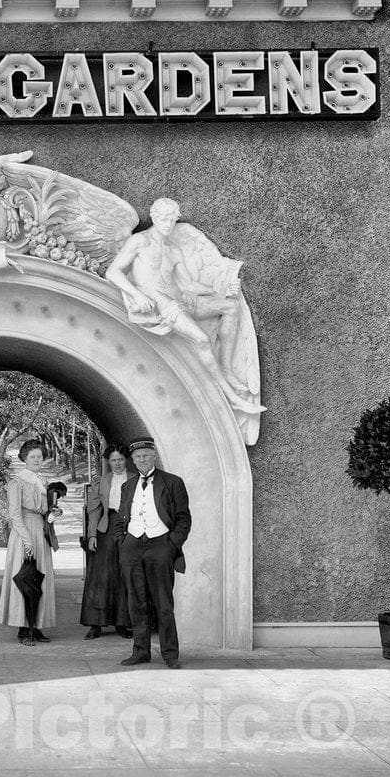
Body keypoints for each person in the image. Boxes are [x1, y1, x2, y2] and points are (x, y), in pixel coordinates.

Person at [105, 198, 263, 416]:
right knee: (201, 339)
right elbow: (113, 272)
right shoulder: (139, 241)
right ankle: (232, 398)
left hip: (181, 300)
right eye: (163, 219)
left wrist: (223, 287)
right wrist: (137, 295)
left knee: (230, 307)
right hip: (160, 302)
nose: (168, 224)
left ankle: (226, 368)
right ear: (153, 217)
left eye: (172, 219)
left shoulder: (173, 251)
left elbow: (189, 285)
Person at [114, 436, 192, 668]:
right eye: (137, 457)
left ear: (154, 456)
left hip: (161, 546)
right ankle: (141, 652)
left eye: (146, 455)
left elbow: (183, 519)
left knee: (163, 603)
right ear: (133, 460)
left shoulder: (172, 482)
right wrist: (123, 542)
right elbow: (121, 518)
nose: (142, 460)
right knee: (136, 603)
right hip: (133, 547)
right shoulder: (127, 486)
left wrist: (170, 546)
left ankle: (170, 654)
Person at [0, 439, 56, 645]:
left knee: (41, 577)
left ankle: (36, 626)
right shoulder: (17, 482)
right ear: (24, 458)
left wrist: (54, 513)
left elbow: (46, 509)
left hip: (40, 530)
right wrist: (27, 539)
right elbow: (14, 515)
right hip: (24, 533)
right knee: (26, 579)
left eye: (39, 456)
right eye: (33, 457)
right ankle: (24, 629)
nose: (37, 460)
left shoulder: (43, 481)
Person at [80, 443, 134, 640]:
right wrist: (92, 535)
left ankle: (122, 623)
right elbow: (94, 510)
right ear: (108, 462)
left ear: (126, 460)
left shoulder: (136, 479)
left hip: (130, 528)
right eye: (113, 460)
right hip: (106, 526)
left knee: (124, 573)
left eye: (120, 459)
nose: (117, 463)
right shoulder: (102, 481)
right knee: (100, 575)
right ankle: (96, 623)